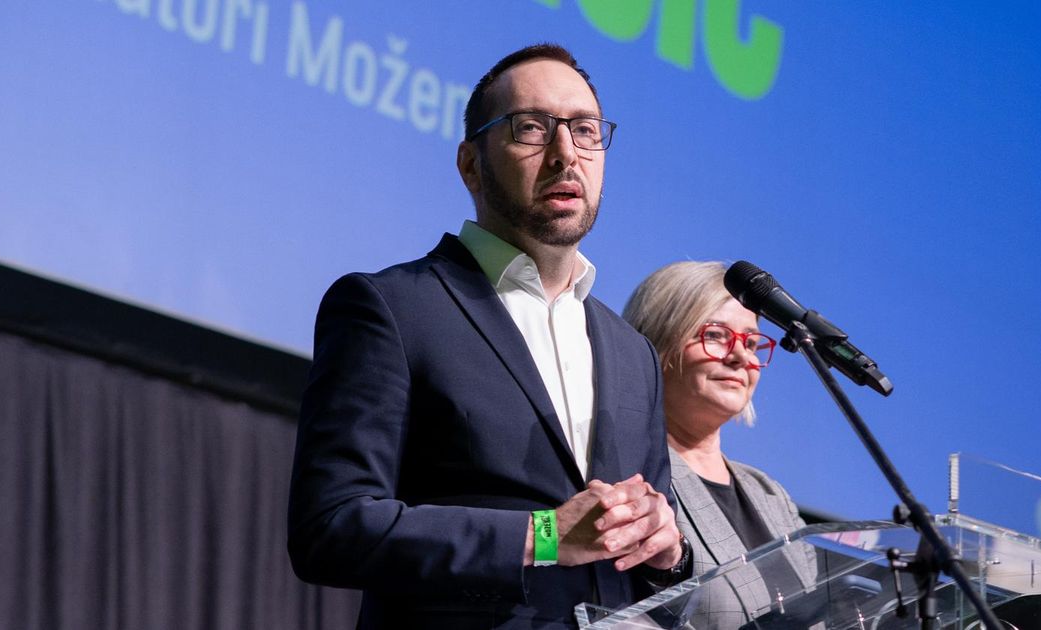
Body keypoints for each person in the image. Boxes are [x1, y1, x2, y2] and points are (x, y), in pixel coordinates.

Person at [287, 44, 688, 629]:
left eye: (584, 130)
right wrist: (543, 536)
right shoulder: (393, 308)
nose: (565, 154)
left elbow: (652, 568)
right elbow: (331, 526)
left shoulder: (633, 353)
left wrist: (670, 552)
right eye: (532, 129)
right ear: (471, 164)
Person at [623, 261, 817, 629]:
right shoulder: (629, 474)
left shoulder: (770, 494)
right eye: (715, 335)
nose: (741, 356)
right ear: (657, 345)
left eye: (751, 342)